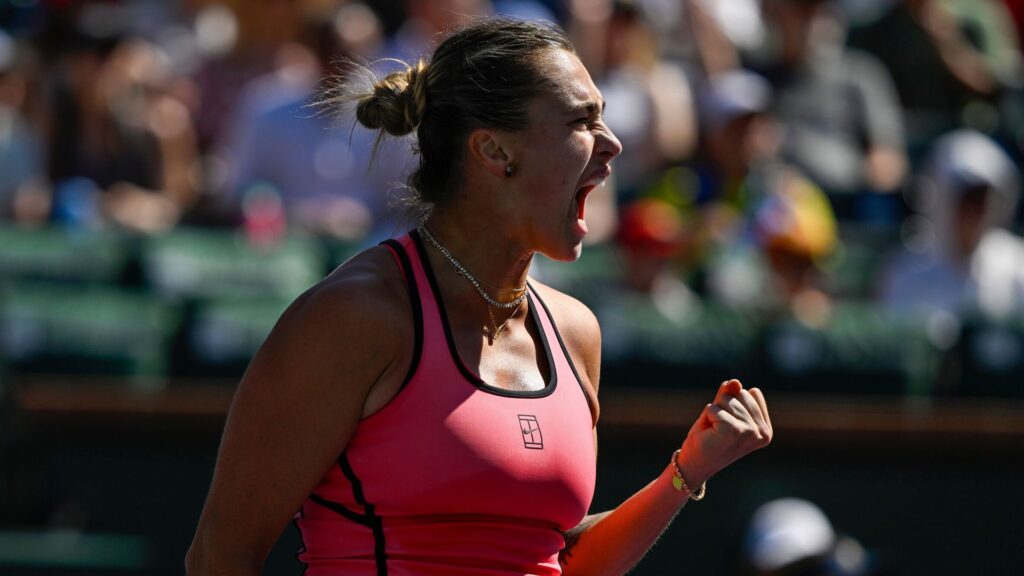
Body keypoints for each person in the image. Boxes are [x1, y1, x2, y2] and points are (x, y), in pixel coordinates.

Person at [186, 18, 772, 575]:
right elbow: (221, 555)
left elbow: (551, 559)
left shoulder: (575, 333)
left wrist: (686, 471)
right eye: (581, 121)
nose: (612, 144)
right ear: (494, 151)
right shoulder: (356, 318)